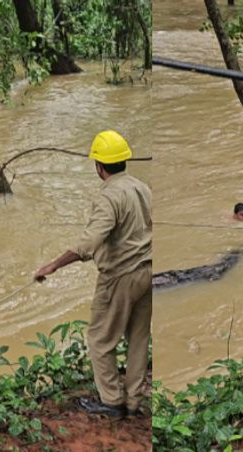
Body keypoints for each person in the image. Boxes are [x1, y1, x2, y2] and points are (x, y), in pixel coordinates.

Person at [34, 130, 151, 418]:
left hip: (120, 277)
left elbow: (88, 243)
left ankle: (112, 401)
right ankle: (134, 401)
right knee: (138, 339)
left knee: (100, 340)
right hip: (149, 271)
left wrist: (52, 265)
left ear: (98, 166)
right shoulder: (143, 188)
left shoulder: (109, 197)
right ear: (124, 159)